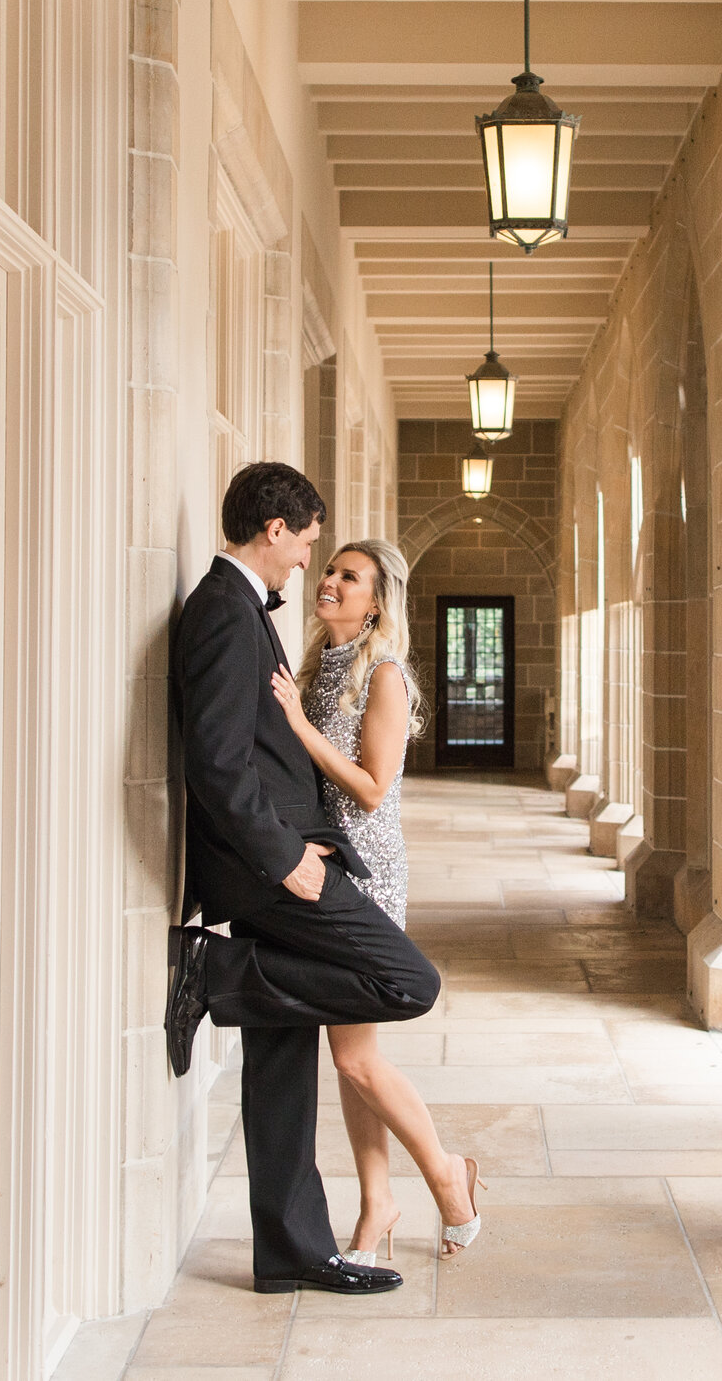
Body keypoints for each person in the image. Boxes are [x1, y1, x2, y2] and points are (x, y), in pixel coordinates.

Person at [164, 463, 443, 1296]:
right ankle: (214, 973)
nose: (310, 564)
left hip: (296, 855)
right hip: (270, 867)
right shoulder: (221, 609)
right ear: (276, 528)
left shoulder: (250, 611)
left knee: (280, 1065)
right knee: (406, 979)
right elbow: (216, 762)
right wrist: (283, 855)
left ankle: (292, 1248)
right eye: (310, 544)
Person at [271, 539, 485, 1262]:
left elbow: (370, 786)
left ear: (376, 602)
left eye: (348, 576)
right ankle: (378, 1202)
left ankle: (446, 1175)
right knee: (350, 1052)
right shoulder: (315, 664)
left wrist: (299, 727)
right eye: (328, 568)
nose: (328, 580)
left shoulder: (383, 674)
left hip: (369, 880)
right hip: (329, 872)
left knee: (357, 1057)